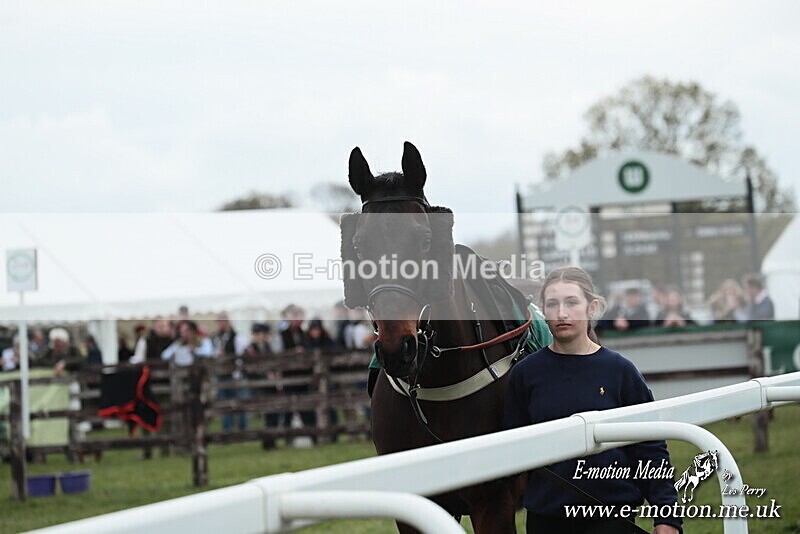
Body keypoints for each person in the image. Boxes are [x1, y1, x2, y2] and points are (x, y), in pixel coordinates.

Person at [504, 267, 681, 534]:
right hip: (546, 520)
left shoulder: (620, 371)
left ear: (592, 307)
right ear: (542, 310)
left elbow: (650, 448)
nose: (562, 313)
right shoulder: (524, 375)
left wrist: (667, 517)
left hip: (610, 518)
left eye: (572, 302)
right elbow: (511, 450)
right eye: (552, 304)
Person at [212, 313, 250, 433]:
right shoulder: (217, 338)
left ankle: (243, 429)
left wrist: (237, 371)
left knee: (240, 403)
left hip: (235, 375)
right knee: (224, 403)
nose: (220, 324)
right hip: (222, 375)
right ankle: (227, 429)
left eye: (222, 321)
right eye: (218, 322)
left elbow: (240, 356)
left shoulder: (237, 337)